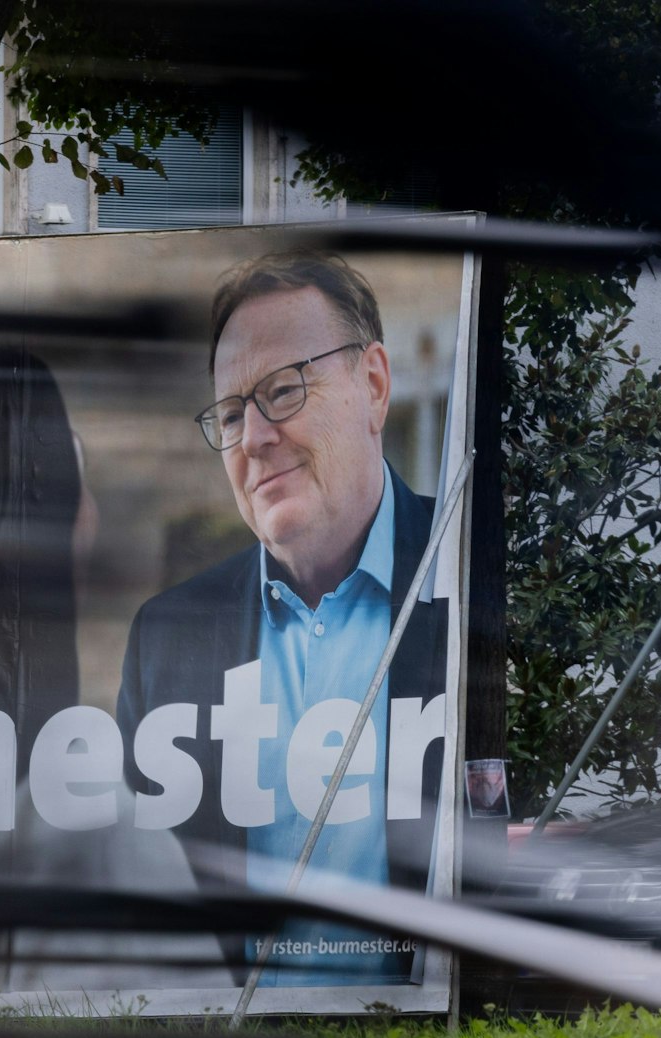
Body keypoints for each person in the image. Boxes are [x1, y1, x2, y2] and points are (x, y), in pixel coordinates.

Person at [115, 249, 449, 985]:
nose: (256, 437)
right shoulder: (165, 638)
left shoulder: (469, 575)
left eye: (284, 391)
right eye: (232, 413)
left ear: (373, 385)